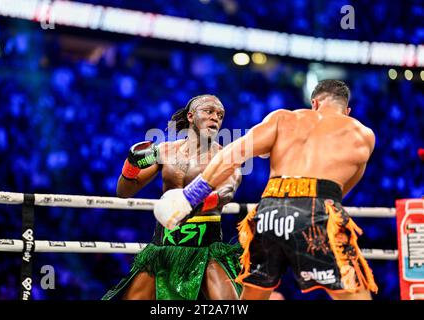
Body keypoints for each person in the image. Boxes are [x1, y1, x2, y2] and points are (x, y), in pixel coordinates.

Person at [155, 79, 378, 300]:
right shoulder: (363, 134)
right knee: (353, 292)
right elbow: (340, 192)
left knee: (254, 293)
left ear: (315, 103)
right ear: (347, 110)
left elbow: (231, 155)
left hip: (270, 209)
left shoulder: (284, 118)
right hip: (316, 208)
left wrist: (189, 197)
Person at [102, 94, 243, 300]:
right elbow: (124, 192)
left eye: (220, 115)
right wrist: (130, 166)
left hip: (206, 246)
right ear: (191, 116)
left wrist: (192, 200)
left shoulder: (225, 156)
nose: (216, 118)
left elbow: (228, 190)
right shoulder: (165, 151)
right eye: (209, 112)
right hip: (164, 244)